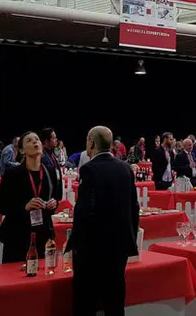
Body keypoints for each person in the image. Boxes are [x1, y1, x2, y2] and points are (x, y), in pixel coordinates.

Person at [68, 126, 138, 316]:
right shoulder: (125, 168)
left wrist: (76, 244)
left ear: (91, 141)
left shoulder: (89, 169)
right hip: (119, 246)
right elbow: (134, 207)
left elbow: (84, 211)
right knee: (115, 300)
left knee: (86, 300)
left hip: (94, 248)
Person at [0, 131, 61, 263]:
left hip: (43, 233)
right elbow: (0, 206)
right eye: (29, 141)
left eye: (37, 139)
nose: (35, 142)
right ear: (22, 150)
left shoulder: (51, 171)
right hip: (17, 234)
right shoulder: (12, 174)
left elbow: (56, 198)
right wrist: (24, 207)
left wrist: (53, 205)